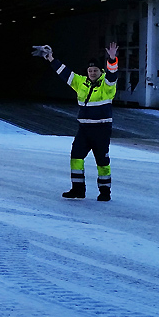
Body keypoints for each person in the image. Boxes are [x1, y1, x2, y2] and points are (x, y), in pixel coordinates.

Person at [36, 42, 119, 201]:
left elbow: (112, 74)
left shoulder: (107, 85)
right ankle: (78, 190)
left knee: (102, 162)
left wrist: (112, 59)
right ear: (87, 71)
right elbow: (64, 72)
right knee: (76, 157)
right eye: (90, 70)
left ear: (100, 71)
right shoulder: (80, 82)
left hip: (101, 130)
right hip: (84, 129)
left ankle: (104, 192)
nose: (92, 73)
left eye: (95, 70)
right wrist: (51, 58)